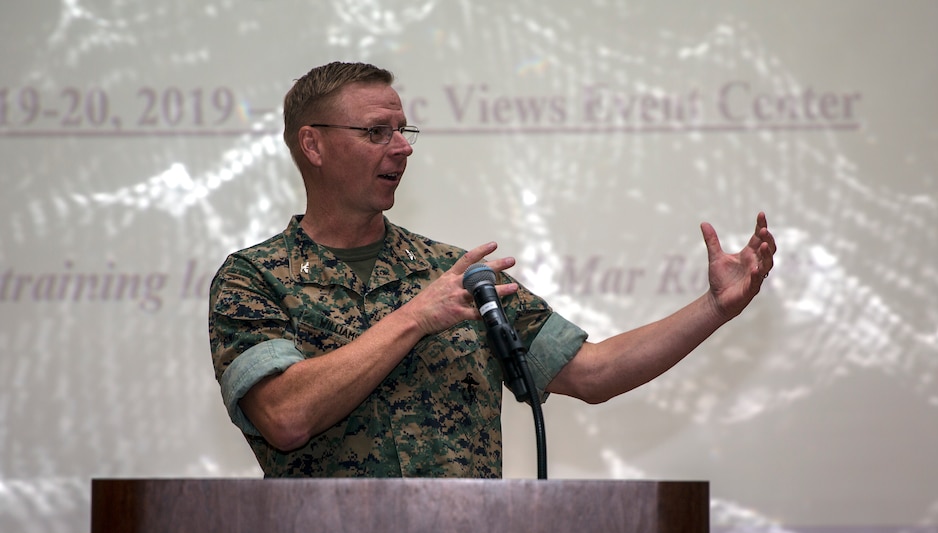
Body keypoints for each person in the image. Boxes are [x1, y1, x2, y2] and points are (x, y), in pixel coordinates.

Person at [209, 61, 776, 478]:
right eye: (376, 132)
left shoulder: (455, 275)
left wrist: (715, 309)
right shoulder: (254, 279)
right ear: (313, 144)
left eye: (403, 130)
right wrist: (413, 319)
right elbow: (284, 415)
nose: (402, 148)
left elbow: (593, 372)